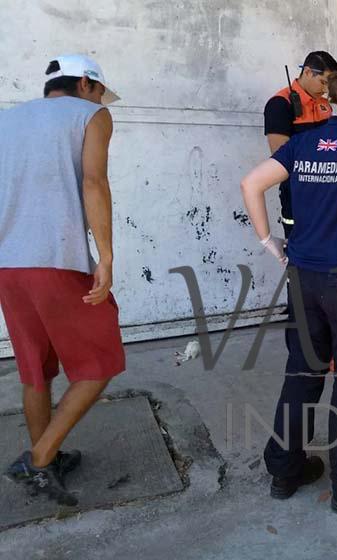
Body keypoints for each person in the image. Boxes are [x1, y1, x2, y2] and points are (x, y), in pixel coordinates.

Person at [241, 73, 337, 513]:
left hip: (303, 276)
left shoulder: (303, 141)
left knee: (303, 372)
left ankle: (285, 468)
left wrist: (267, 240)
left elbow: (251, 184)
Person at [1, 55, 124, 506]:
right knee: (102, 361)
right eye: (100, 92)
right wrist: (105, 257)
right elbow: (94, 183)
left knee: (35, 368)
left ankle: (47, 459)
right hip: (56, 259)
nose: (102, 101)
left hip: (8, 264)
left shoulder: (8, 119)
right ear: (86, 83)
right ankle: (37, 460)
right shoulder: (92, 115)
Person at [264, 50, 337, 240]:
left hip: (327, 190)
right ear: (307, 72)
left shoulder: (324, 104)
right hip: (297, 193)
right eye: (323, 82)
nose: (325, 90)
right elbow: (281, 157)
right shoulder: (280, 104)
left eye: (329, 85)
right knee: (298, 247)